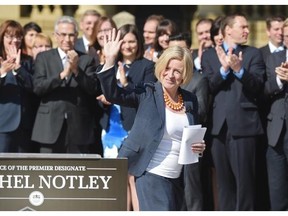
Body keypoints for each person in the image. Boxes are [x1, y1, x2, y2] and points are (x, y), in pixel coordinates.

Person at [97, 28, 206, 211]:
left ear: (184, 74)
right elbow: (113, 94)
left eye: (177, 71)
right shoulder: (146, 92)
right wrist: (110, 60)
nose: (171, 75)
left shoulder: (189, 99)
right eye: (168, 68)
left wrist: (198, 147)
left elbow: (189, 136)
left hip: (178, 178)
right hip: (150, 173)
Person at [201, 13, 265, 210]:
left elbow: (258, 86)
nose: (247, 30)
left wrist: (239, 71)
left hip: (244, 126)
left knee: (245, 184)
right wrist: (224, 69)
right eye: (243, 27)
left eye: (247, 27)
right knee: (223, 183)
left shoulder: (253, 54)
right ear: (228, 30)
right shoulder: (211, 55)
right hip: (218, 128)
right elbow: (209, 87)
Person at [97, 24, 157, 211]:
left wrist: (124, 83)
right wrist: (103, 100)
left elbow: (147, 97)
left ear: (138, 43)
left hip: (135, 128)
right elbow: (98, 94)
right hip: (111, 129)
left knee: (133, 177)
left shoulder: (147, 66)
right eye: (124, 41)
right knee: (118, 177)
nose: (128, 46)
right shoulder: (108, 65)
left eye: (132, 41)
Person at [31, 16, 102, 154]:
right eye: (63, 34)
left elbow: (93, 89)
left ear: (76, 36)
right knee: (48, 171)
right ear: (55, 36)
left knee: (76, 172)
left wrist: (76, 70)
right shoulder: (44, 58)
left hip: (78, 127)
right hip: (48, 126)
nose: (67, 39)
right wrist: (62, 75)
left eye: (71, 35)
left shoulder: (86, 60)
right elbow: (38, 88)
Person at [169, 32, 209, 211]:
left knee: (191, 189)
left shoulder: (198, 80)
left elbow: (201, 112)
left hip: (189, 143)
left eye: (181, 50)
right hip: (166, 143)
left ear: (190, 52)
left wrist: (178, 110)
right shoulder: (163, 78)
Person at [264, 18, 288, 211]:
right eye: (286, 36)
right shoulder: (274, 57)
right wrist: (279, 81)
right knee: (277, 191)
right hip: (276, 134)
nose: (286, 39)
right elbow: (263, 90)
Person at [0, 20, 35, 152]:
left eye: (18, 36)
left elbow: (34, 87)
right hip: (2, 125)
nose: (14, 40)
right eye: (9, 36)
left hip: (25, 125)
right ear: (2, 37)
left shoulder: (28, 61)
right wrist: (2, 73)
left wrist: (18, 68)